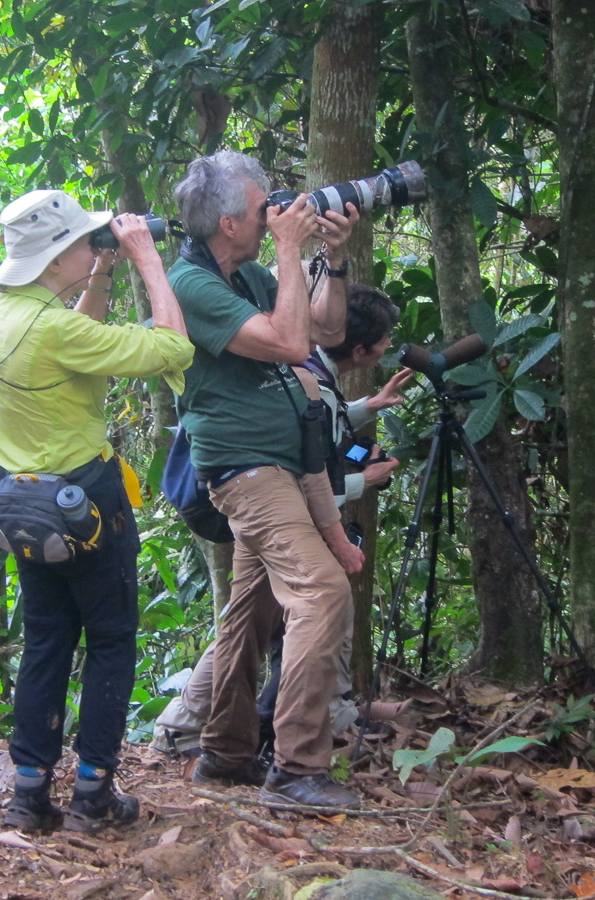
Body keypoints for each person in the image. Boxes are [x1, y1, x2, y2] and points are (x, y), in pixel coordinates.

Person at [0, 190, 192, 833]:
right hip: (87, 502)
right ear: (53, 256)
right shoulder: (54, 329)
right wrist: (149, 262)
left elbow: (79, 335)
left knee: (45, 642)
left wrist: (97, 272)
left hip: (23, 506)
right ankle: (94, 793)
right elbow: (173, 351)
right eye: (83, 240)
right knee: (111, 642)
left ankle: (29, 791)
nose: (92, 244)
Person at [168, 150, 366, 809]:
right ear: (228, 223)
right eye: (261, 211)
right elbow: (286, 345)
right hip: (246, 470)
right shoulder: (191, 287)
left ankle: (224, 753)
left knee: (251, 612)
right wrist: (289, 249)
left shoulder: (246, 273)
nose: (273, 215)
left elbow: (325, 331)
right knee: (322, 590)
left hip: (283, 463)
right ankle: (297, 769)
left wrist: (330, 262)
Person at [153, 285, 411, 757]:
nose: (389, 348)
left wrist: (366, 408)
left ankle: (196, 731)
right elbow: (307, 471)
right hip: (267, 501)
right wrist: (364, 481)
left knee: (250, 617)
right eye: (383, 341)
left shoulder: (309, 374)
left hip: (257, 499)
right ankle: (297, 748)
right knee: (322, 595)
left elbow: (321, 431)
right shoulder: (297, 374)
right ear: (357, 349)